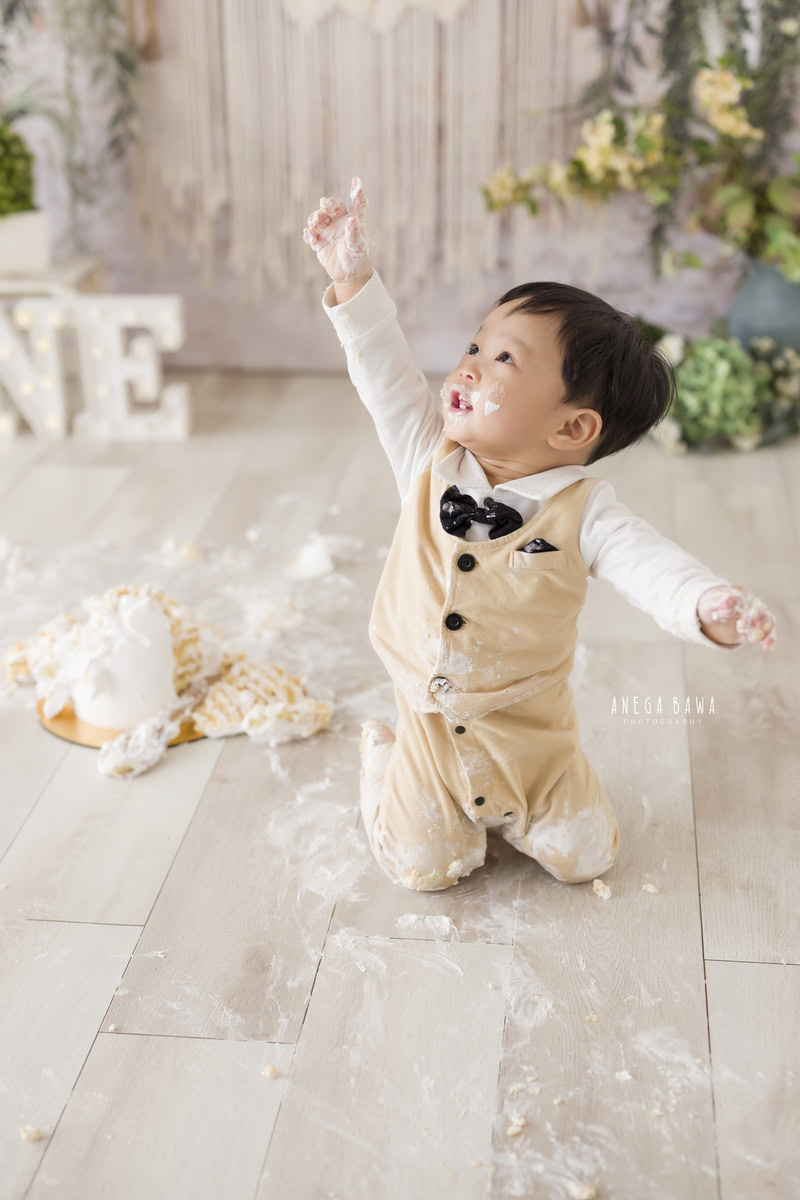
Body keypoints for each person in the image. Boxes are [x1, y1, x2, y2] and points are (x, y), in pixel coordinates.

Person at [302, 177, 777, 893]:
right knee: (424, 868)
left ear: (572, 427)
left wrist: (707, 605)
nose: (469, 364)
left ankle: (526, 807)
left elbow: (651, 566)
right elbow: (384, 374)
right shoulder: (427, 457)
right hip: (429, 724)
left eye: (504, 360)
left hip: (533, 736)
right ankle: (386, 764)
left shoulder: (587, 512)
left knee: (589, 855)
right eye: (476, 344)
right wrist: (352, 278)